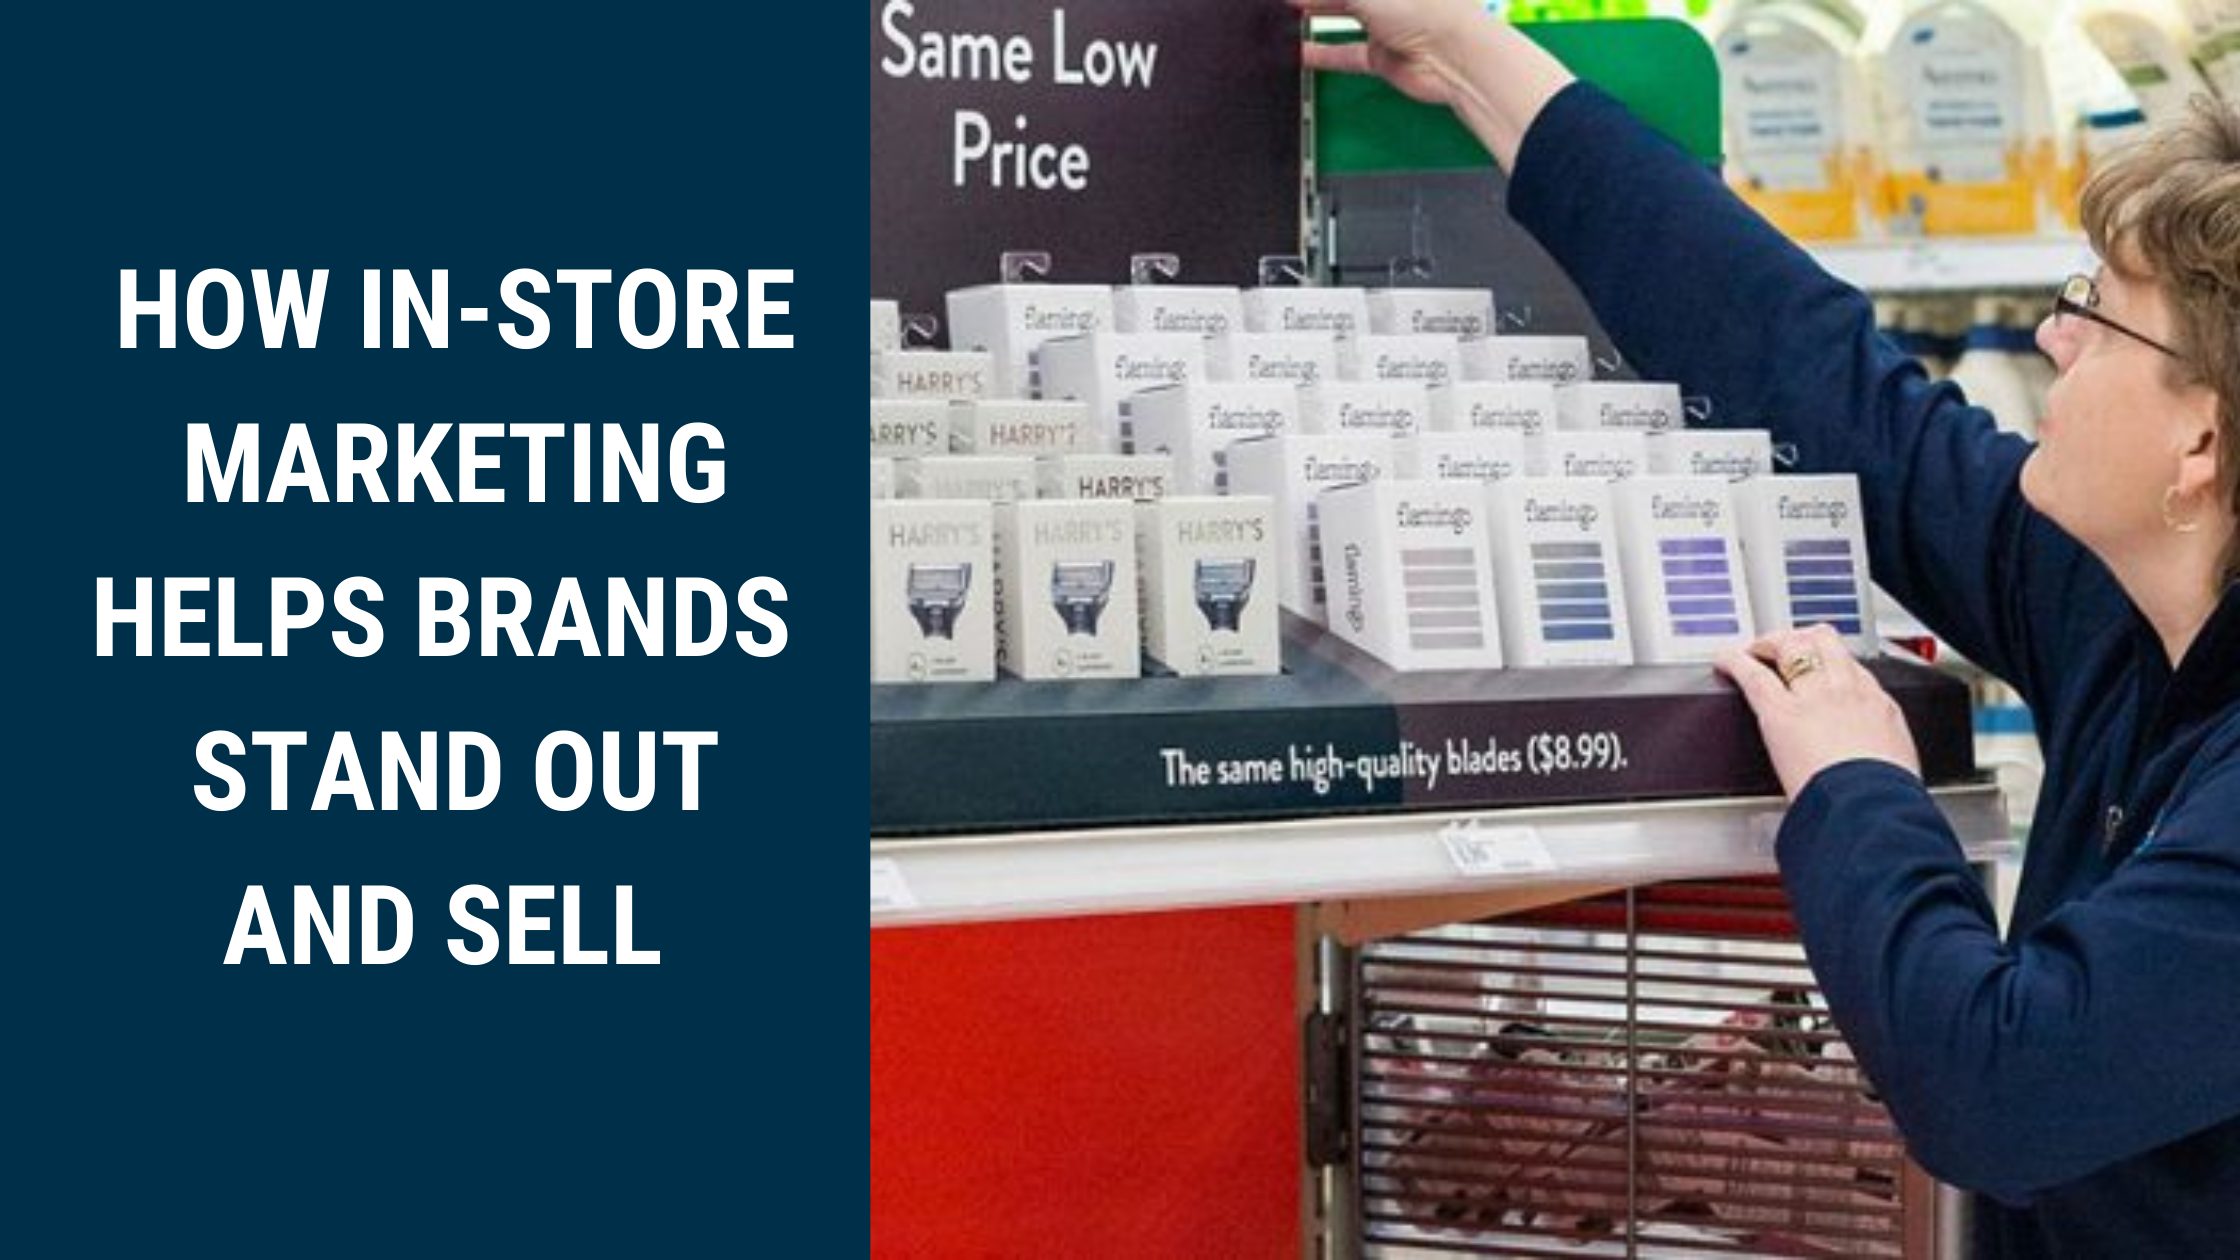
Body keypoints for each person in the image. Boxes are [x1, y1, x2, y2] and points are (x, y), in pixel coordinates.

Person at [1303, 1, 2240, 1254]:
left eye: (2100, 314)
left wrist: (1859, 786)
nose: (2052, 337)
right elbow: (1814, 376)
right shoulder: (2123, 606)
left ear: (2200, 440)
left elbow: (2001, 1089)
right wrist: (1469, 53)